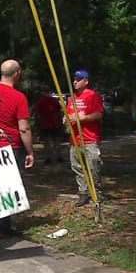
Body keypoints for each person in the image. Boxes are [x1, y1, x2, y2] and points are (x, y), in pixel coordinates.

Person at [0, 59, 34, 237]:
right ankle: (4, 226)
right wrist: (30, 151)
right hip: (9, 146)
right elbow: (24, 127)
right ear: (17, 73)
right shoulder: (19, 97)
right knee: (7, 187)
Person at [66, 69, 104, 207]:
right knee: (77, 167)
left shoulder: (93, 96)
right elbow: (68, 114)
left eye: (78, 79)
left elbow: (99, 114)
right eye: (74, 79)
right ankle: (83, 193)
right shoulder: (71, 98)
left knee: (93, 166)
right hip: (74, 140)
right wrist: (66, 118)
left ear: (86, 81)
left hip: (90, 139)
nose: (75, 81)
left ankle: (96, 192)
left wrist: (83, 118)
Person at [32, 83, 63, 164]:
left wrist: (36, 123)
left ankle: (48, 157)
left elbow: (36, 113)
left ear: (42, 92)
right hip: (55, 124)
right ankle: (59, 156)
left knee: (46, 142)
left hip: (45, 125)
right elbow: (60, 112)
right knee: (56, 140)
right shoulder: (54, 100)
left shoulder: (40, 101)